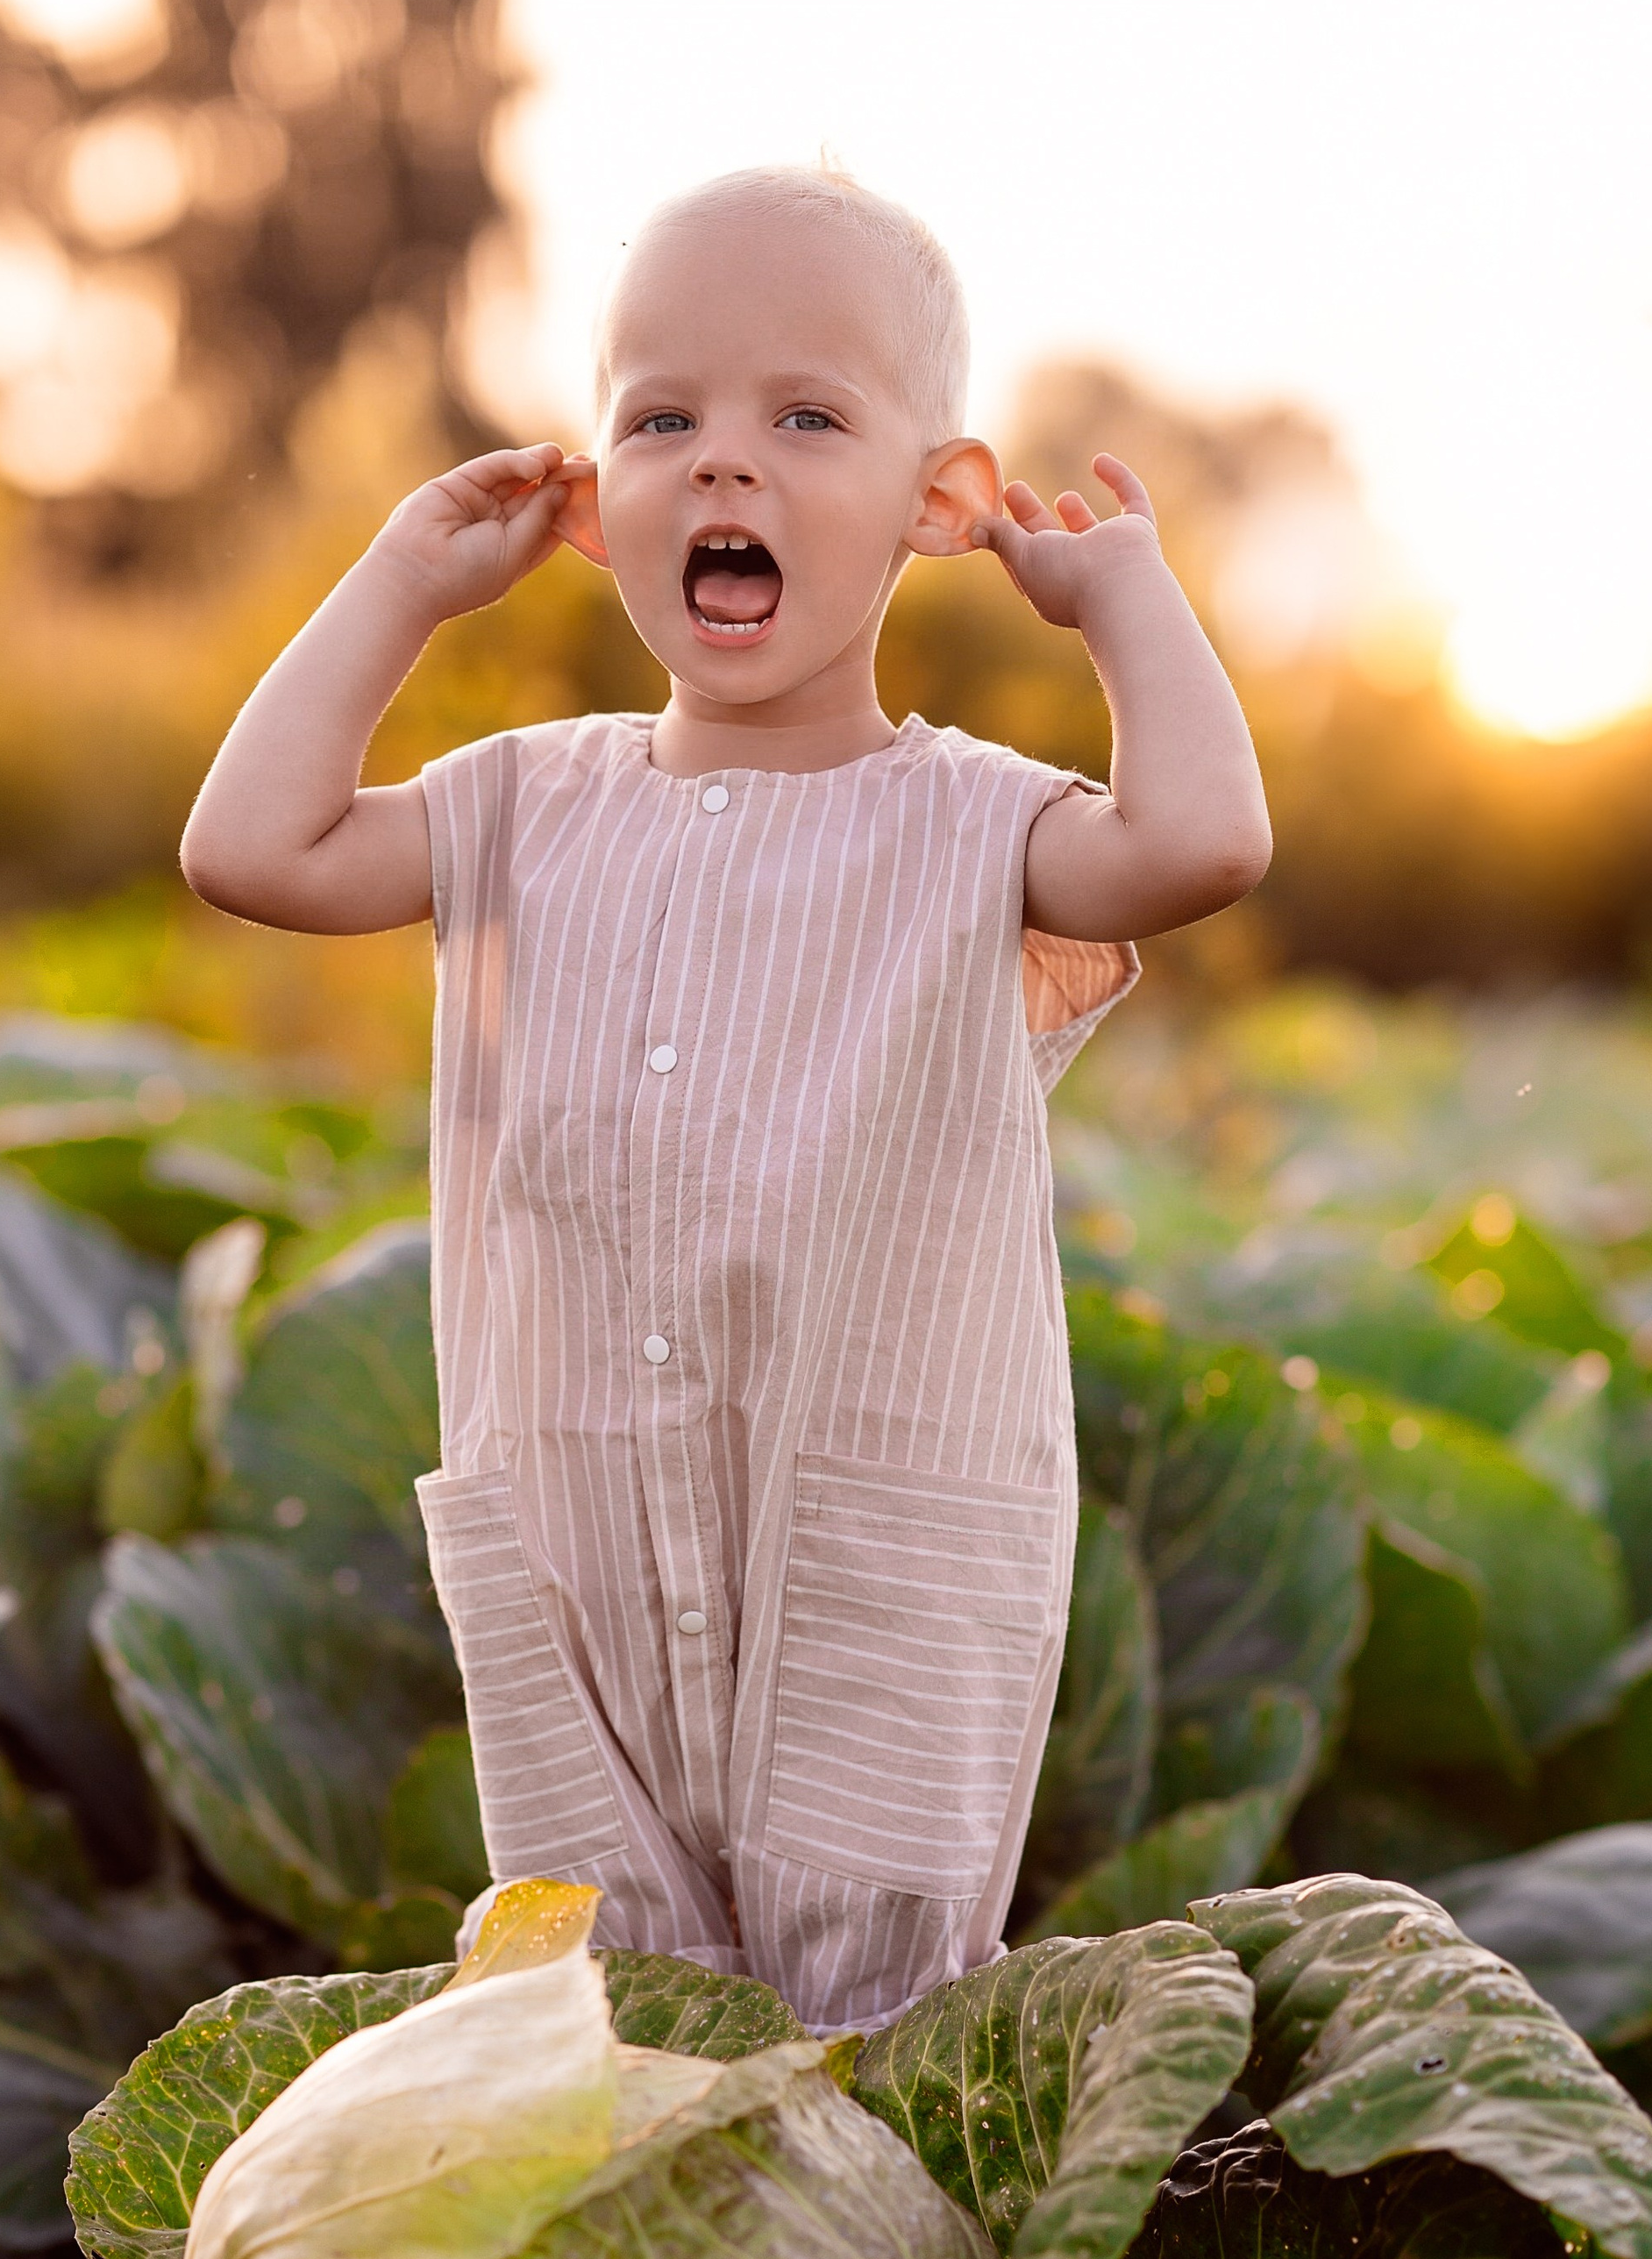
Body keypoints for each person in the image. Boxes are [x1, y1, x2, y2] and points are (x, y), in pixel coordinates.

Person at [182, 167, 1271, 2028]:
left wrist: (1119, 607)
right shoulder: (516, 804)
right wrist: (396, 590)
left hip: (875, 1562)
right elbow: (247, 846)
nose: (723, 467)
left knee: (865, 2043)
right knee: (612, 2040)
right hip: (576, 1558)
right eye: (661, 420)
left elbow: (1202, 837)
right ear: (595, 506)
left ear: (939, 504)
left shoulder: (971, 824)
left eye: (805, 419)